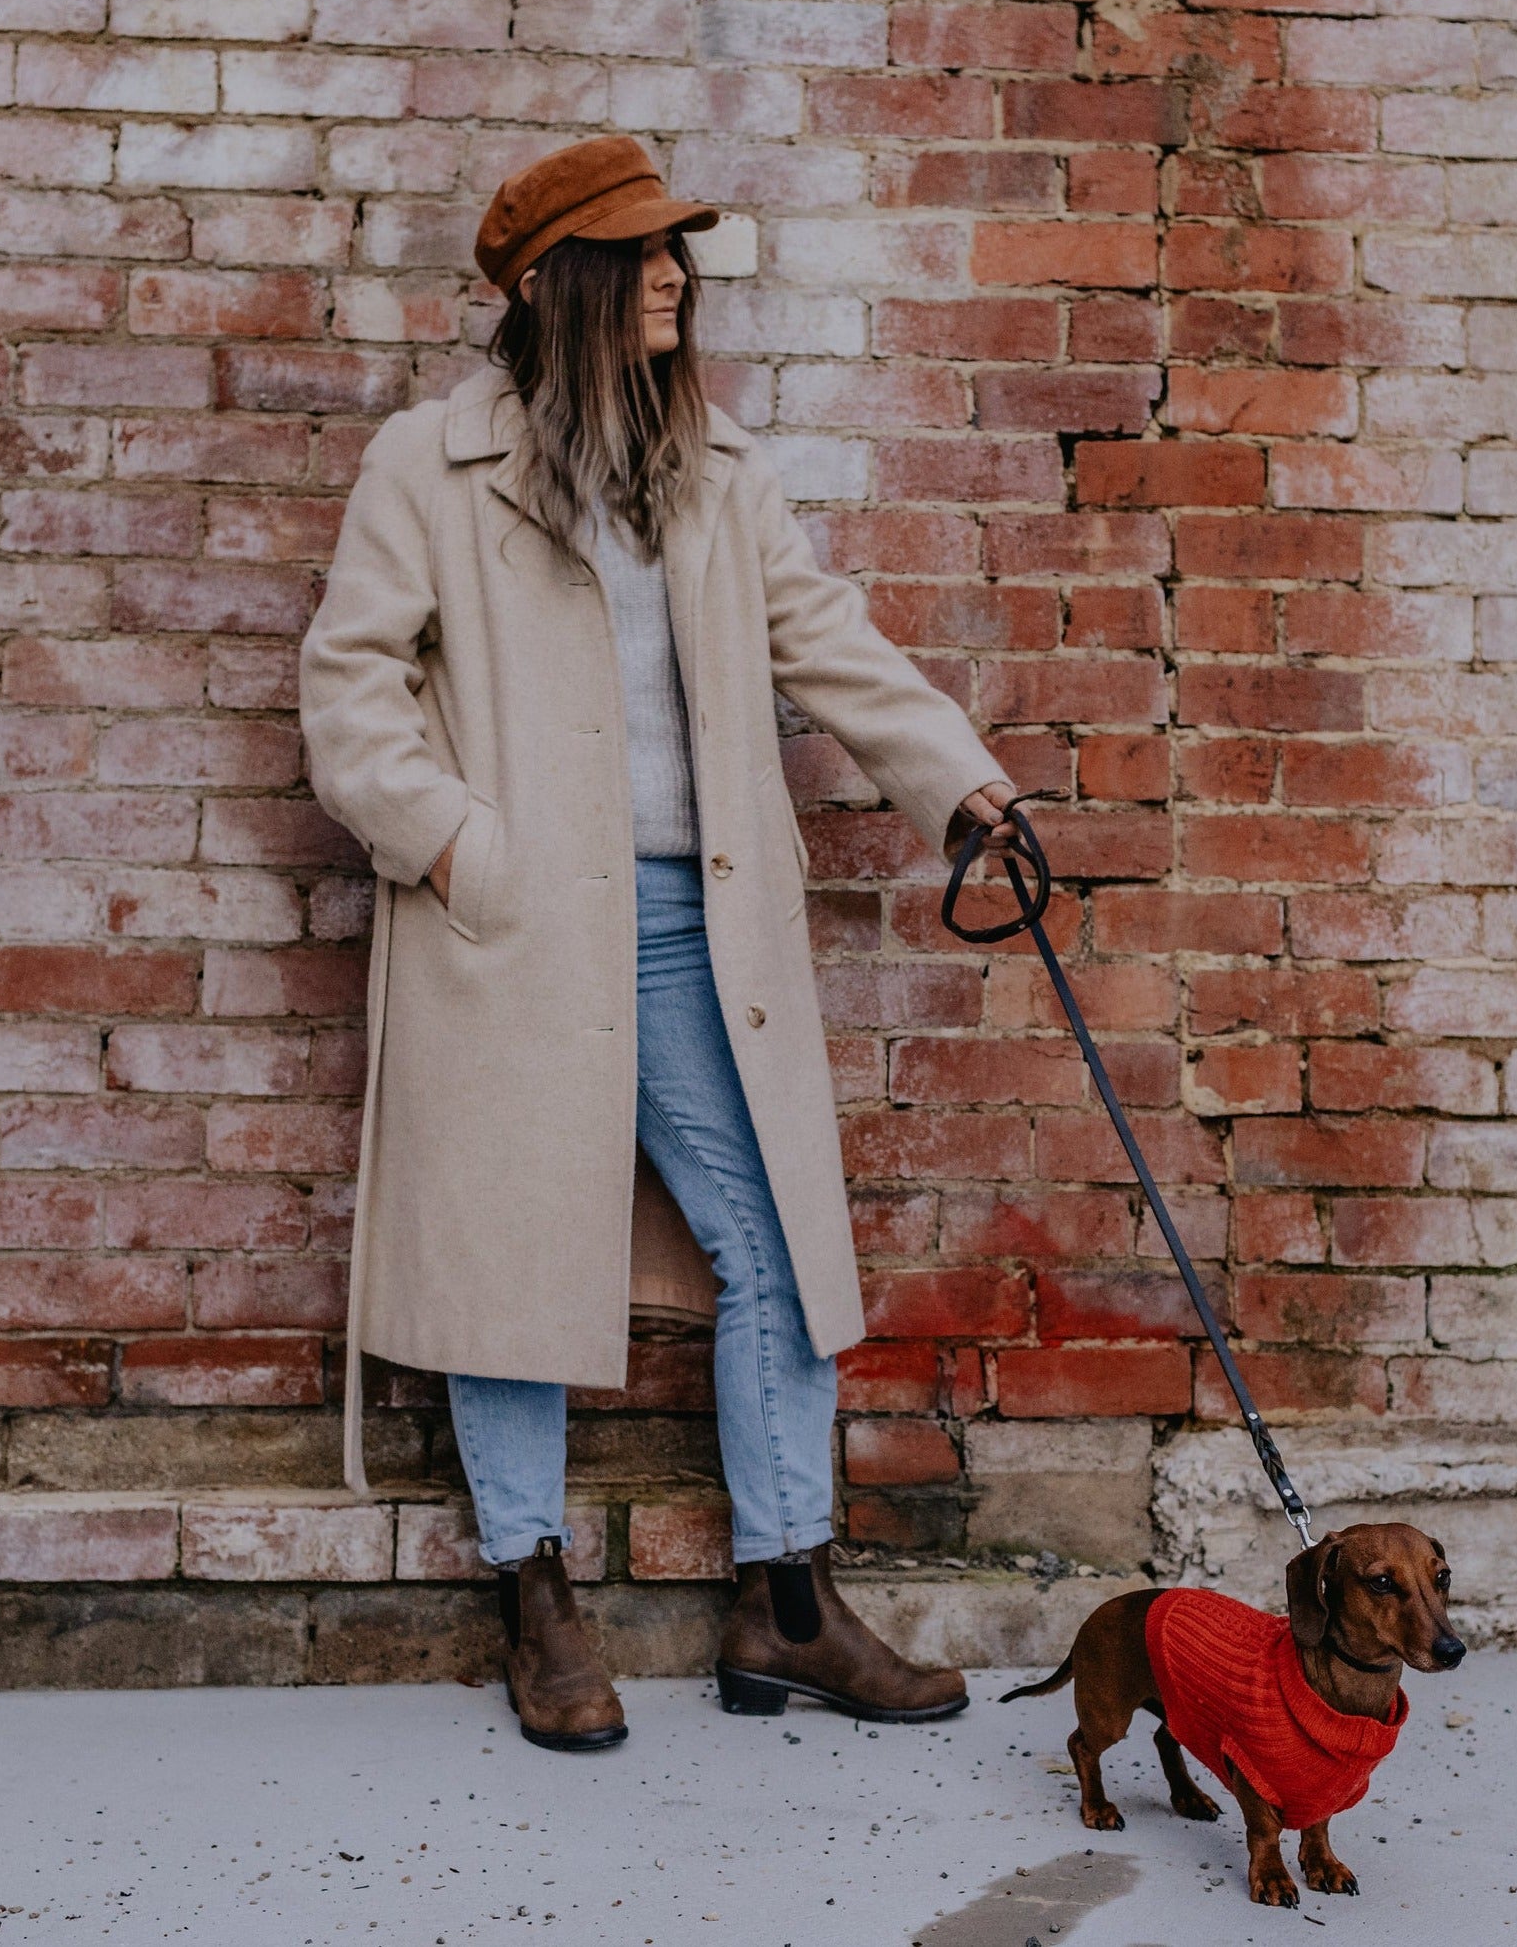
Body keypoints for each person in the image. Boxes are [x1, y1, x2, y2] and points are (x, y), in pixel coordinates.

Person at [299, 136, 1016, 1751]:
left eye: (683, 245)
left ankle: (786, 1601)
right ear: (558, 283)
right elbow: (350, 696)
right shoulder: (431, 464)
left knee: (770, 1244)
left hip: (697, 921)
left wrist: (958, 787)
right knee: (516, 1259)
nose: (680, 272)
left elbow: (824, 639)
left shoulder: (718, 474)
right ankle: (536, 1593)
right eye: (647, 251)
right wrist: (469, 851)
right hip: (518, 923)